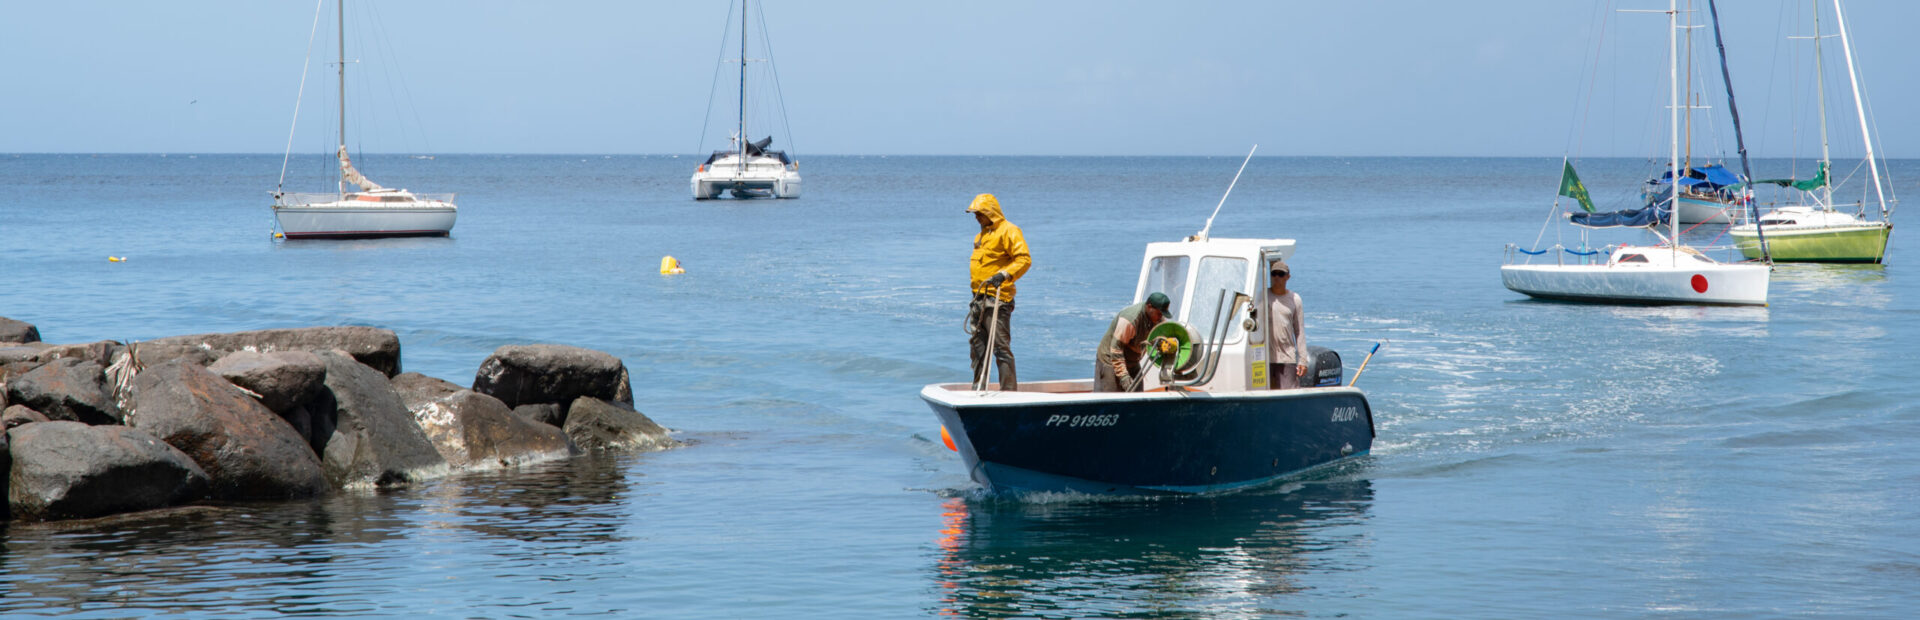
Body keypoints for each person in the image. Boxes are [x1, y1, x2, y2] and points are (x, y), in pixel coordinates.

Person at [965, 193, 1031, 391]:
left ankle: (1008, 391)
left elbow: (1023, 259)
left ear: (990, 213)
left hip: (997, 300)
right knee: (977, 348)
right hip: (978, 298)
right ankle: (978, 387)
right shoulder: (982, 235)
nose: (976, 217)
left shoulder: (1009, 231)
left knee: (1001, 348)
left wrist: (1004, 275)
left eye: (979, 213)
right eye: (974, 214)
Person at [1095, 292, 1171, 392]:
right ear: (1149, 307)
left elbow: (1165, 335)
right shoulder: (1130, 320)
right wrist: (1124, 377)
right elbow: (1116, 349)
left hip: (1132, 360)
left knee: (1137, 395)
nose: (1160, 317)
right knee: (1110, 398)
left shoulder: (1158, 318)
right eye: (1159, 314)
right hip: (1110, 359)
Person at [1265, 259, 1308, 389]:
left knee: (1289, 395)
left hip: (1286, 358)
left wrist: (1303, 360)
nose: (1277, 277)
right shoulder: (1262, 296)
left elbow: (1299, 330)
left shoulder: (1295, 299)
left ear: (1287, 277)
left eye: (1281, 274)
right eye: (1274, 274)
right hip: (1264, 358)